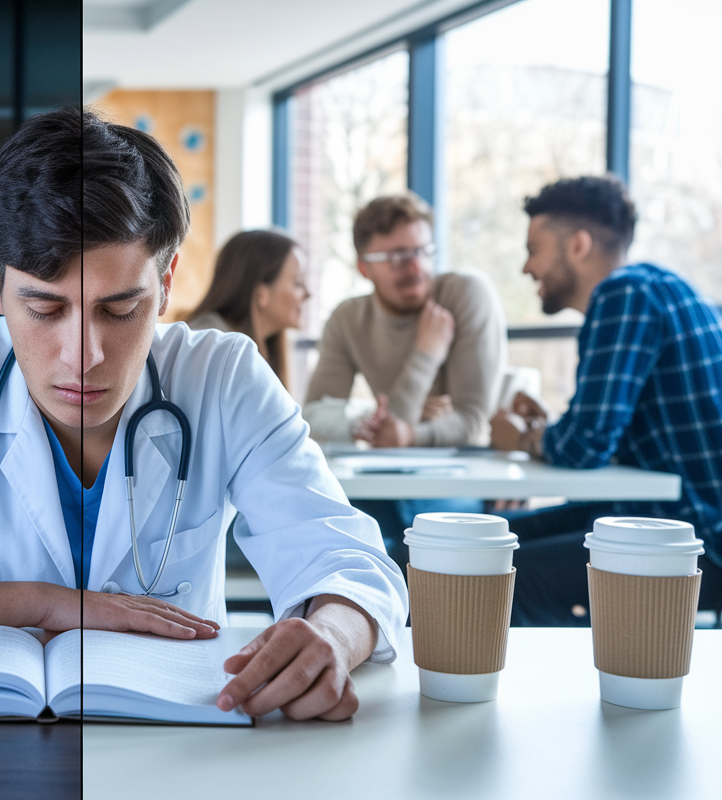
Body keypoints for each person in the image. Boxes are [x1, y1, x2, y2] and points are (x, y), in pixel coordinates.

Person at [0, 107, 407, 721]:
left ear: (169, 281)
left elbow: (349, 562)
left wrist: (332, 631)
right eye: (44, 310)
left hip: (173, 746)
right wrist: (39, 604)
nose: (84, 356)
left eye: (121, 310)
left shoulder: (224, 377)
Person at [490, 175, 722, 626]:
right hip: (665, 516)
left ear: (578, 244)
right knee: (495, 539)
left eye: (533, 249)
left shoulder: (625, 293)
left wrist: (524, 438)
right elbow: (609, 438)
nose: (526, 268)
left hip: (695, 537)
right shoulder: (664, 286)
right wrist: (548, 430)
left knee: (504, 574)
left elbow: (585, 446)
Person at [303, 192, 507, 448]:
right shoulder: (348, 319)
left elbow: (474, 421)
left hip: (467, 473)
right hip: (392, 473)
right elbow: (313, 418)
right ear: (364, 268)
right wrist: (371, 417)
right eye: (398, 257)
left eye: (423, 251)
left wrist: (408, 433)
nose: (416, 268)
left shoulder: (465, 295)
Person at [186, 229, 310, 386]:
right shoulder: (211, 345)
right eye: (298, 283)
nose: (308, 293)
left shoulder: (265, 351)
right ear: (261, 294)